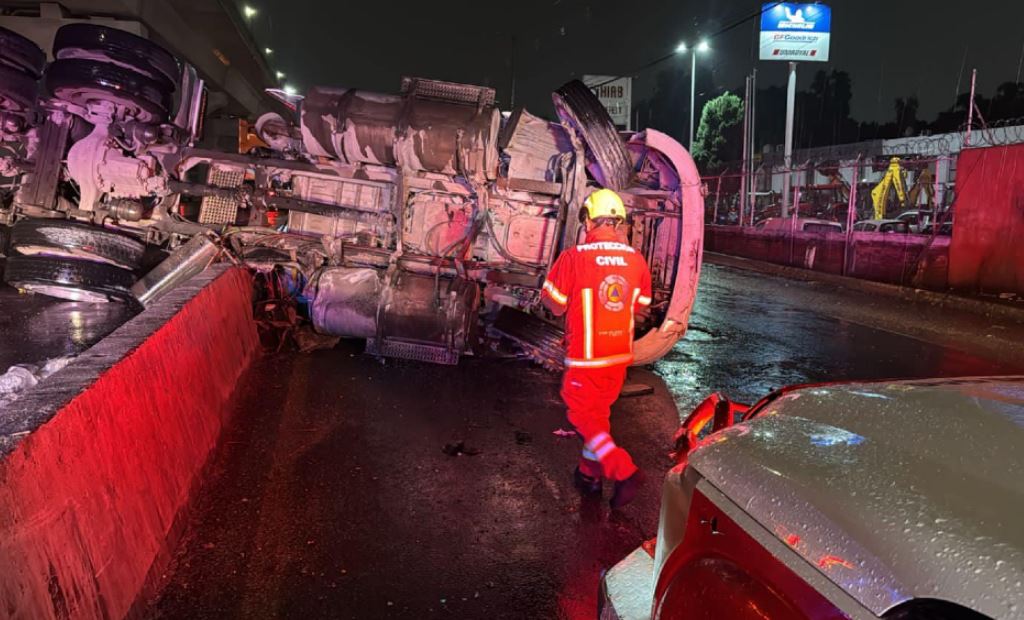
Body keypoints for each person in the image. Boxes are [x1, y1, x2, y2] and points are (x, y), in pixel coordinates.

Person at [541, 188, 652, 509]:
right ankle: (589, 474)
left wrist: (551, 292)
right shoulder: (636, 261)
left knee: (581, 413)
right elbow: (639, 305)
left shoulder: (574, 257)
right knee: (598, 416)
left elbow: (555, 305)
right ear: (618, 223)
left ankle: (624, 470)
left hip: (587, 357)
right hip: (618, 356)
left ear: (588, 220)